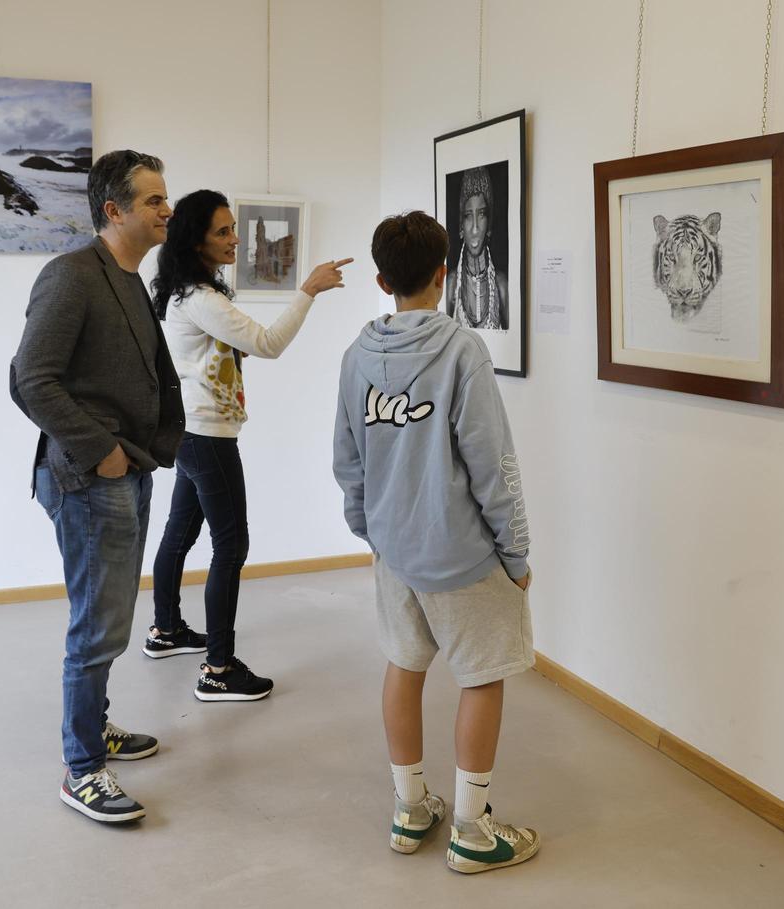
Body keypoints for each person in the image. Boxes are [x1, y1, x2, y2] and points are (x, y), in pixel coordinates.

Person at [333, 210, 539, 873]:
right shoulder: (461, 350)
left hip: (395, 553)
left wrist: (374, 530)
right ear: (443, 273)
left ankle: (410, 807)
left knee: (405, 664)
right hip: (463, 555)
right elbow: (492, 463)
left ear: (381, 278)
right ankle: (473, 831)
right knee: (482, 679)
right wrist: (516, 552)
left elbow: (348, 460)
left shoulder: (357, 356)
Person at [10, 150, 183, 824]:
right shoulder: (72, 275)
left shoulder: (127, 277)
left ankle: (96, 729)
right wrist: (103, 450)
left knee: (109, 615)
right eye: (153, 201)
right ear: (113, 210)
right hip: (90, 476)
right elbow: (31, 378)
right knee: (97, 623)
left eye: (165, 198)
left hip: (127, 467)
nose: (166, 209)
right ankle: (82, 767)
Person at [147, 189, 351, 701]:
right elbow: (269, 344)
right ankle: (218, 670)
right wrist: (307, 290)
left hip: (189, 430)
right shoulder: (201, 298)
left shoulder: (180, 293)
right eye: (222, 231)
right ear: (196, 241)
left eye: (234, 228)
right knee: (230, 545)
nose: (235, 239)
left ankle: (165, 631)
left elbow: (231, 350)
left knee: (180, 532)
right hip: (207, 435)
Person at [445, 166, 509, 329]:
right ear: (461, 227)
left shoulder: (500, 284)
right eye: (467, 216)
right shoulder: (451, 285)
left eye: (481, 214)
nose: (475, 228)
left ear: (489, 225)